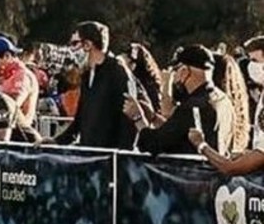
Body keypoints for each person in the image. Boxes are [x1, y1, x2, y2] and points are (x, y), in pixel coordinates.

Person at [49, 22, 139, 150]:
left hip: (111, 159)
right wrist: (55, 141)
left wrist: (120, 159)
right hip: (90, 157)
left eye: (75, 44)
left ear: (87, 45)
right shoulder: (87, 75)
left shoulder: (118, 73)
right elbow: (80, 119)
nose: (71, 50)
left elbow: (128, 122)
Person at [126, 45, 231, 155]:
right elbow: (178, 132)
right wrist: (154, 118)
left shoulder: (192, 107)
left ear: (184, 71)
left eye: (176, 70)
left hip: (191, 170)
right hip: (215, 169)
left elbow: (154, 144)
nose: (175, 76)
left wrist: (137, 117)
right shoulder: (222, 99)